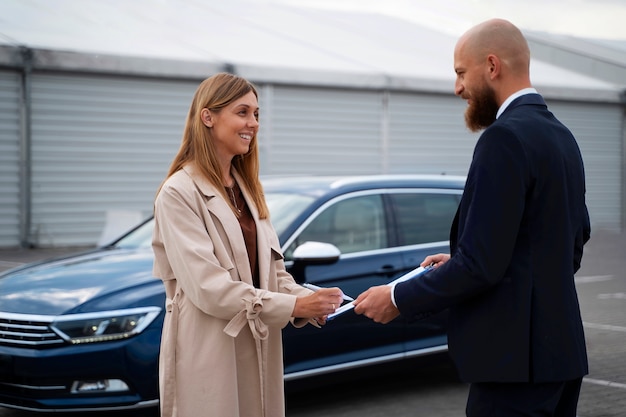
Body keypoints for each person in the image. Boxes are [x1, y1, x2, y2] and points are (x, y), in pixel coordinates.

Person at [353, 18, 590, 417]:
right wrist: (467, 261)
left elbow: (481, 265)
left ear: (492, 66)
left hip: (514, 368)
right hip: (560, 359)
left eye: (461, 73)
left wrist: (397, 297)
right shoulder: (562, 136)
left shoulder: (503, 138)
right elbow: (569, 246)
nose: (458, 87)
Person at [151, 72, 343, 417]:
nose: (253, 123)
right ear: (207, 117)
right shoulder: (179, 192)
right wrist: (296, 308)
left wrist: (311, 300)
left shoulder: (248, 189)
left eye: (256, 114)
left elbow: (273, 273)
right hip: (210, 350)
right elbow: (210, 288)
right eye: (242, 112)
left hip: (259, 344)